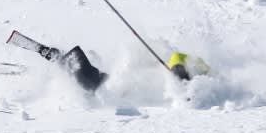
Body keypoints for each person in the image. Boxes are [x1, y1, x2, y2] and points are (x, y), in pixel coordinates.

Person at [29, 38, 209, 92]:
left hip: (124, 92)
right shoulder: (171, 61)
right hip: (122, 86)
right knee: (93, 79)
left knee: (91, 81)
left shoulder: (201, 71)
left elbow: (204, 71)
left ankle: (61, 61)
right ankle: (59, 61)